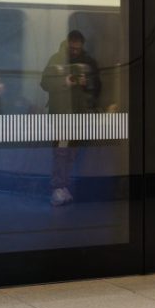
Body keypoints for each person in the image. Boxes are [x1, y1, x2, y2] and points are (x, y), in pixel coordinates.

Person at [40, 30, 101, 206]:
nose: (75, 51)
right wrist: (64, 82)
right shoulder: (56, 60)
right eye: (72, 48)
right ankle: (57, 187)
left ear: (82, 46)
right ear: (67, 44)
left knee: (72, 152)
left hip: (79, 116)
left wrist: (86, 83)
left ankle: (63, 186)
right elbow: (44, 83)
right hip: (61, 115)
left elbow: (97, 86)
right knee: (61, 151)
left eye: (77, 48)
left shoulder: (88, 62)